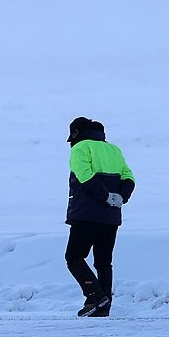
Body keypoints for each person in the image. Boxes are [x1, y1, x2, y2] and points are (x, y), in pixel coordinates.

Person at [65, 116, 135, 317]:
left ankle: (95, 295)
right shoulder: (114, 150)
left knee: (74, 257)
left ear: (77, 132)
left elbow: (84, 175)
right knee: (103, 262)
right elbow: (129, 177)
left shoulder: (80, 148)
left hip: (86, 214)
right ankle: (104, 306)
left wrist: (104, 197)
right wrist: (119, 197)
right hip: (111, 217)